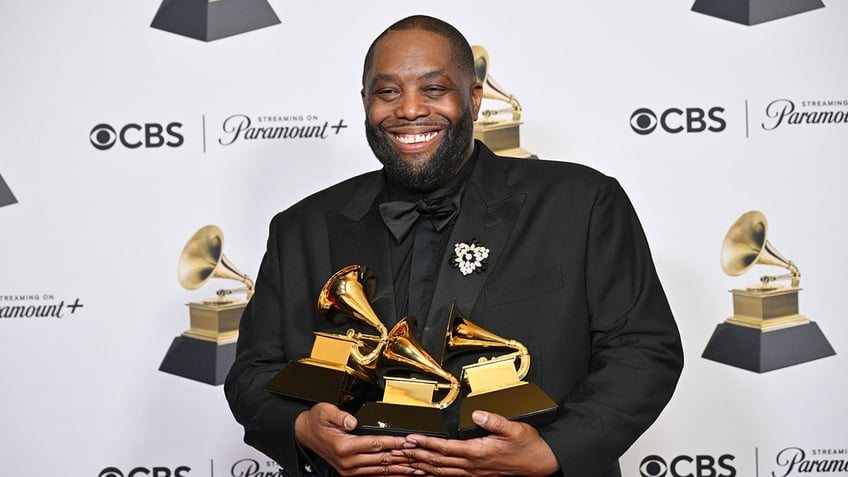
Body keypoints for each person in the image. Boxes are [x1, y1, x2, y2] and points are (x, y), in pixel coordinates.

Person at [225, 14, 683, 477]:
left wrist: (553, 451)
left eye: (433, 89)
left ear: (474, 99)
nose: (408, 110)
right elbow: (252, 373)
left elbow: (643, 349)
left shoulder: (581, 202)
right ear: (365, 103)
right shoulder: (300, 227)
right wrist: (301, 428)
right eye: (387, 92)